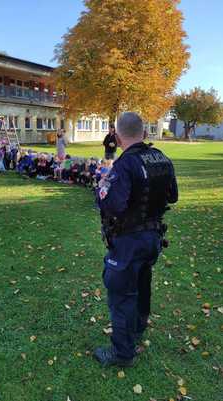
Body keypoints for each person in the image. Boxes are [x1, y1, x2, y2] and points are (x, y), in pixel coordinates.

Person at [94, 112, 178, 367]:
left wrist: (101, 187)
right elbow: (173, 196)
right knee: (142, 286)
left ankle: (122, 353)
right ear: (143, 133)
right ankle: (137, 330)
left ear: (118, 138)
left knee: (121, 295)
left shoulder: (125, 164)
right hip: (152, 238)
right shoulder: (162, 158)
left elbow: (112, 203)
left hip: (129, 242)